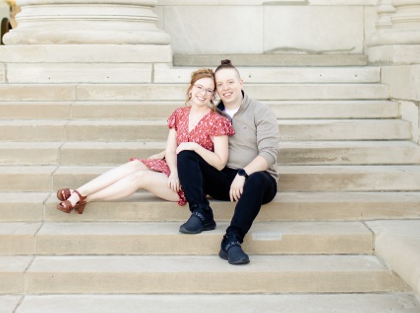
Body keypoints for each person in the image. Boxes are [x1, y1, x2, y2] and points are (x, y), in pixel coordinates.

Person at [56, 69, 233, 213]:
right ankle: (79, 193)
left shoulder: (217, 121)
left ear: (213, 95)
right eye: (199, 87)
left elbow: (219, 163)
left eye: (208, 90)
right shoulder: (180, 114)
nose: (202, 93)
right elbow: (170, 150)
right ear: (190, 88)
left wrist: (194, 147)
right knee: (135, 165)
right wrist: (173, 171)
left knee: (140, 177)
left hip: (194, 181)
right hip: (173, 171)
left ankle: (82, 197)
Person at [175, 58, 280, 265]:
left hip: (257, 182)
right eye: (220, 84)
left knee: (257, 179)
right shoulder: (212, 114)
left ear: (241, 82)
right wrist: (166, 153)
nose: (226, 88)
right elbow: (190, 138)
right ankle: (202, 213)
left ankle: (232, 240)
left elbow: (269, 154)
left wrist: (244, 174)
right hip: (224, 179)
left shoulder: (261, 112)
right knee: (186, 153)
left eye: (230, 82)